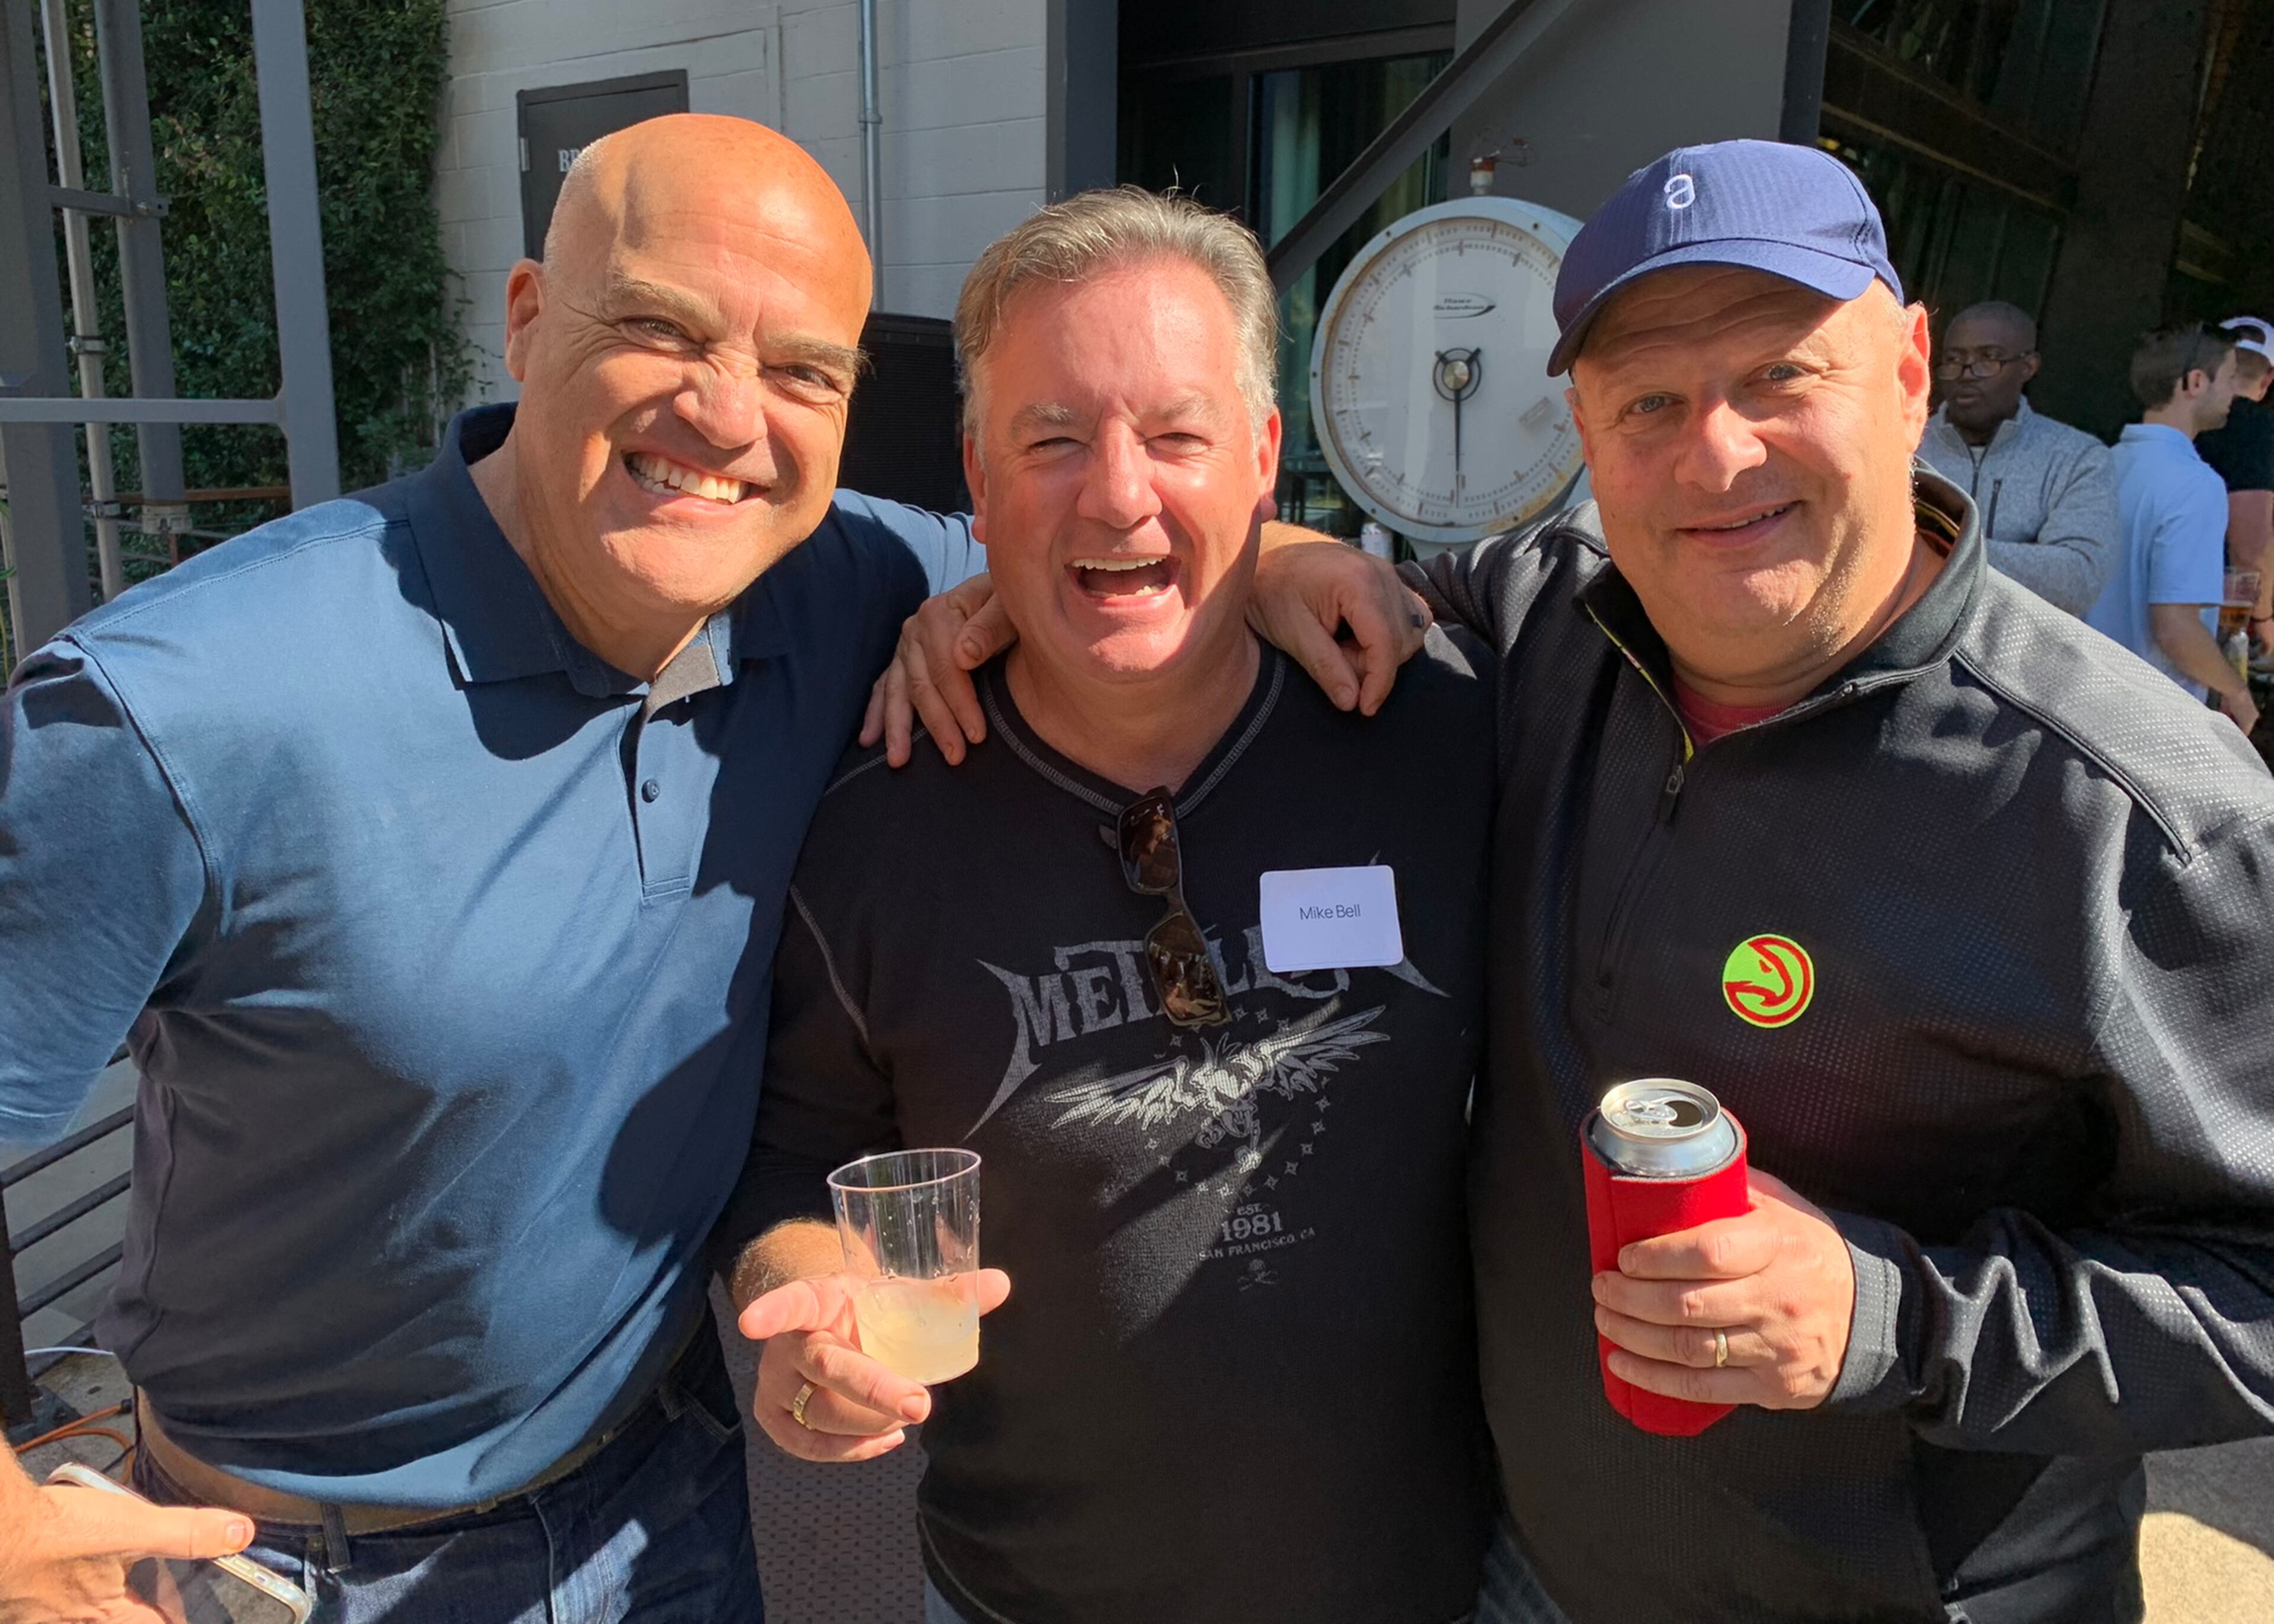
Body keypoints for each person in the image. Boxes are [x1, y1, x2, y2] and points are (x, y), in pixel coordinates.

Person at [0, 115, 1413, 1623]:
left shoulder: (829, 578)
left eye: (803, 369)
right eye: (660, 329)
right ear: (528, 319)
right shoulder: (184, 707)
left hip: (667, 1503)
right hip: (283, 1557)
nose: (728, 415)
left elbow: (1094, 537)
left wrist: (1277, 559)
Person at [886, 140, 2274, 1624]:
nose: (1715, 455)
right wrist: (1238, 556)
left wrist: (1891, 1314)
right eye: (1649, 402)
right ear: (1586, 433)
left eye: (1778, 376)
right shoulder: (1546, 627)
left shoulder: (2141, 814)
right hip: (1526, 1576)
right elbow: (1251, 571)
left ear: (1908, 370)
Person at [721, 189, 1496, 1624]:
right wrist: (808, 1308)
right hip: (1023, 1594)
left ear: (1262, 458)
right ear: (977, 473)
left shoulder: (1435, 733)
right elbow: (796, 1163)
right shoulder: (874, 828)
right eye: (1053, 439)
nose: (1118, 495)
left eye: (1177, 436)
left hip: (1426, 1584)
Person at [2083, 323, 2254, 732]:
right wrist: (2236, 692)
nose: (2235, 392)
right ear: (2196, 382)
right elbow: (2176, 628)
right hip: (2150, 719)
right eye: (2230, 377)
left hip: (2079, 701)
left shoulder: (2098, 466)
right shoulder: (2197, 484)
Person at [1913, 300, 2115, 614]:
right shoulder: (1908, 444)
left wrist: (1935, 547)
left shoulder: (2077, 457)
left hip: (2024, 643)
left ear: (2028, 367)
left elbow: (2077, 581)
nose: (1967, 374)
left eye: (1989, 358)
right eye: (1954, 360)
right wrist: (2027, 558)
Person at [2201, 314, 2274, 651]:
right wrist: (2265, 621)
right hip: (2220, 619)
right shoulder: (2257, 428)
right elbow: (2251, 547)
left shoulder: (2177, 419)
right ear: (2269, 378)